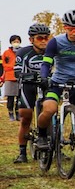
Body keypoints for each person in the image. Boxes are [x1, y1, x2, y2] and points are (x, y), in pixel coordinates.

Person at [35, 10, 75, 176]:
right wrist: (43, 77)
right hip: (57, 84)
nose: (74, 32)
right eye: (70, 28)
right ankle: (41, 135)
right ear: (65, 28)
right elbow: (46, 63)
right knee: (48, 110)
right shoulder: (55, 42)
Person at [12, 24, 50, 163]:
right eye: (40, 38)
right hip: (29, 86)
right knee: (25, 118)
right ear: (31, 40)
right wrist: (29, 76)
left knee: (50, 114)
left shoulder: (53, 52)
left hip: (47, 85)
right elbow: (17, 72)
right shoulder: (23, 52)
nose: (44, 41)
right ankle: (22, 152)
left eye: (46, 38)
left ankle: (55, 145)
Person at [3, 34, 20, 121]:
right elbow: (4, 65)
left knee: (19, 97)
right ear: (11, 42)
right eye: (14, 42)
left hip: (19, 77)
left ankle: (18, 113)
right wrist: (13, 66)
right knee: (10, 97)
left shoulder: (22, 51)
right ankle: (10, 113)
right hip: (9, 77)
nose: (16, 43)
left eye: (17, 41)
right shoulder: (6, 53)